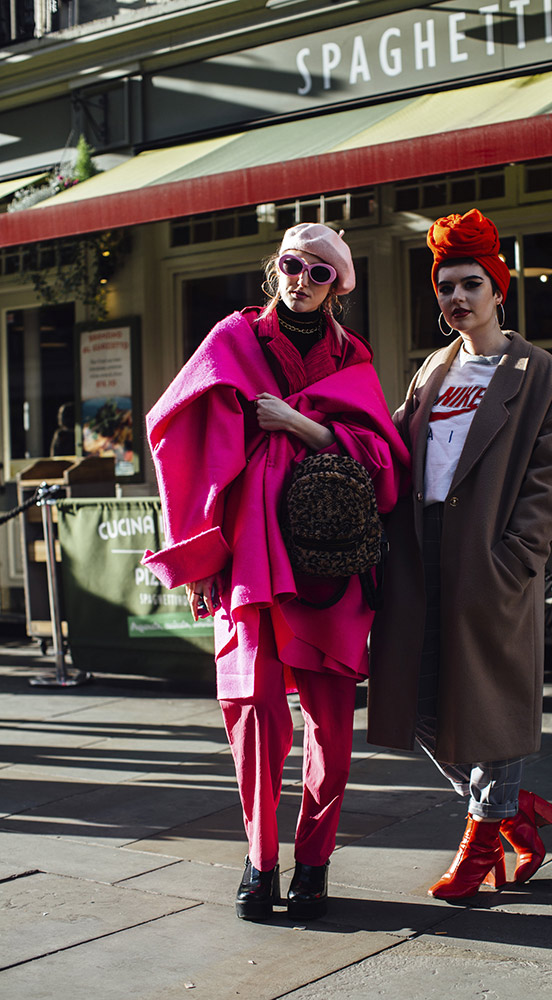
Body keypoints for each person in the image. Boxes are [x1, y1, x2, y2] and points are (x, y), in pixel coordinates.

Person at [142, 224, 410, 921]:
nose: (301, 278)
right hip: (247, 558)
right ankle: (259, 863)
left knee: (330, 725)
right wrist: (198, 550)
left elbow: (385, 468)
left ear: (338, 287)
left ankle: (313, 863)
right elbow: (183, 438)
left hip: (330, 560)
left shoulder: (352, 356)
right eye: (291, 265)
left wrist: (299, 423)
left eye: (319, 271)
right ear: (275, 269)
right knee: (252, 713)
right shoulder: (233, 339)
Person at [368, 209, 552, 901]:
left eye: (469, 286)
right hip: (419, 555)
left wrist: (516, 557)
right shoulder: (433, 367)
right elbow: (398, 447)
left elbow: (549, 476)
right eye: (445, 288)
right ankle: (516, 810)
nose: (455, 298)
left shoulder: (534, 371)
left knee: (491, 705)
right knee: (424, 702)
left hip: (488, 559)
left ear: (497, 291)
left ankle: (480, 842)